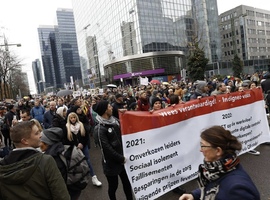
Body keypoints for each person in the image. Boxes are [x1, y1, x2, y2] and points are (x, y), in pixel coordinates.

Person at [179, 125, 260, 200]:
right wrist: (194, 195)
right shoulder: (221, 169)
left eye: (203, 146)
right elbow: (215, 187)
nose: (200, 150)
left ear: (218, 151)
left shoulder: (237, 189)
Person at [0, 121, 70, 200]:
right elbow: (62, 196)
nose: (41, 135)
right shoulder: (45, 161)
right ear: (24, 141)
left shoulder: (3, 166)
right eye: (37, 133)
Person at [93, 100, 133, 200]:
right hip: (111, 164)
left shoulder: (114, 120)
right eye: (109, 106)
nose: (112, 107)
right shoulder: (99, 129)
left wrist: (126, 114)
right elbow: (107, 149)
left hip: (122, 160)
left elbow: (126, 126)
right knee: (113, 187)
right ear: (105, 110)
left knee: (127, 184)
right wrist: (121, 158)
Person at [66, 112, 102, 187]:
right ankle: (79, 179)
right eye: (71, 118)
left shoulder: (81, 125)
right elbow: (67, 139)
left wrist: (82, 143)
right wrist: (75, 145)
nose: (73, 119)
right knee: (76, 163)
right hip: (74, 149)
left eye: (74, 117)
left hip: (83, 146)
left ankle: (94, 177)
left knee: (88, 161)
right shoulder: (67, 127)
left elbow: (85, 136)